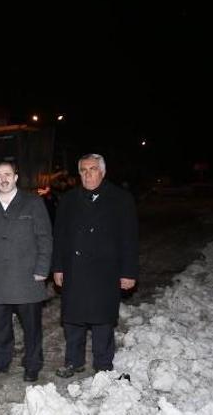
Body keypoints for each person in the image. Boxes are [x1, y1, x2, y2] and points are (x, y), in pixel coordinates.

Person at [52, 153, 138, 377]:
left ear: (103, 171)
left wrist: (128, 272)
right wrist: (58, 267)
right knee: (73, 319)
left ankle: (103, 363)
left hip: (105, 270)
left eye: (92, 169)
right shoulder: (69, 200)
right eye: (83, 170)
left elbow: (129, 238)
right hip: (75, 269)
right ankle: (74, 361)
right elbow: (59, 236)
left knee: (103, 319)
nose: (87, 174)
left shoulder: (121, 199)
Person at [0, 162, 52, 382]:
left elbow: (45, 238)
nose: (3, 179)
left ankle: (32, 364)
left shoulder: (33, 203)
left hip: (28, 277)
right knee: (0, 327)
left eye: (8, 174)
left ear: (16, 177)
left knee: (32, 328)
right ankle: (1, 361)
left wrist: (42, 269)